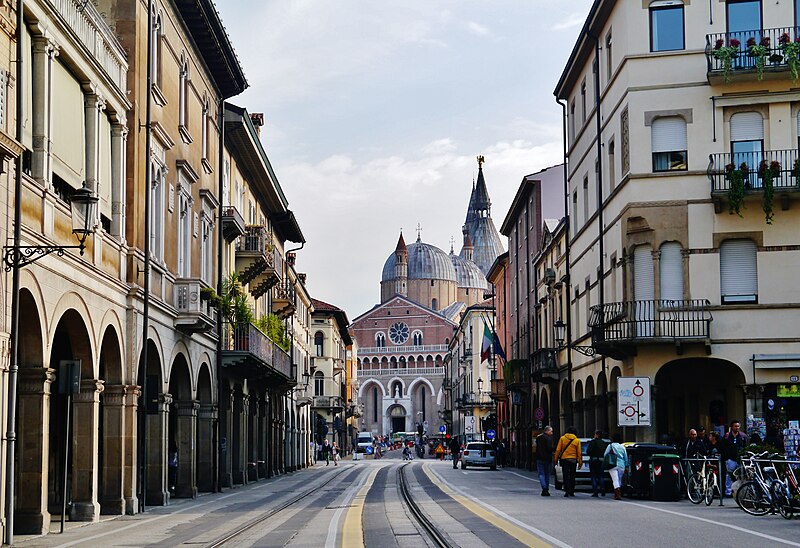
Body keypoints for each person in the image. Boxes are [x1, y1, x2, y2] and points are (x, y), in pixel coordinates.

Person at [554, 426, 582, 497]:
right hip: (573, 460)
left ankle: (566, 491)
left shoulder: (562, 438)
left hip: (564, 459)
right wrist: (580, 463)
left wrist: (555, 459)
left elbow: (558, 450)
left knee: (565, 475)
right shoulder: (577, 440)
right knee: (572, 476)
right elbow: (579, 452)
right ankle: (572, 491)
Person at [723, 420, 748, 496]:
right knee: (729, 476)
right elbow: (724, 447)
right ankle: (728, 492)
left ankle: (740, 491)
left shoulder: (742, 436)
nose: (737, 428)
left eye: (738, 426)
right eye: (735, 426)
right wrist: (726, 457)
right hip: (730, 459)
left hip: (740, 459)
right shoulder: (727, 436)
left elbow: (745, 446)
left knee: (741, 476)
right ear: (732, 427)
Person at [603, 433, 629, 500]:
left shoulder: (610, 446)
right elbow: (625, 458)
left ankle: (617, 494)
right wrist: (626, 466)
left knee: (615, 479)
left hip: (612, 464)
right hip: (621, 465)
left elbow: (605, 454)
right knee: (619, 479)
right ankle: (619, 492)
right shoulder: (622, 447)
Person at [586, 430, 608, 497]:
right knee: (601, 476)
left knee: (593, 476)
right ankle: (603, 490)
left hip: (594, 460)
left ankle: (595, 492)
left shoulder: (593, 442)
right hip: (601, 461)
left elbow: (588, 451)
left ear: (597, 435)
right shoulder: (604, 443)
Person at [535, 427, 555, 496]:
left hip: (539, 458)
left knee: (541, 474)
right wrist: (554, 449)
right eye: (551, 431)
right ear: (547, 431)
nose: (552, 433)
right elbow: (549, 448)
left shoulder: (538, 438)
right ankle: (546, 488)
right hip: (547, 458)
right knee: (547, 474)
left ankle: (544, 487)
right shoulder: (549, 439)